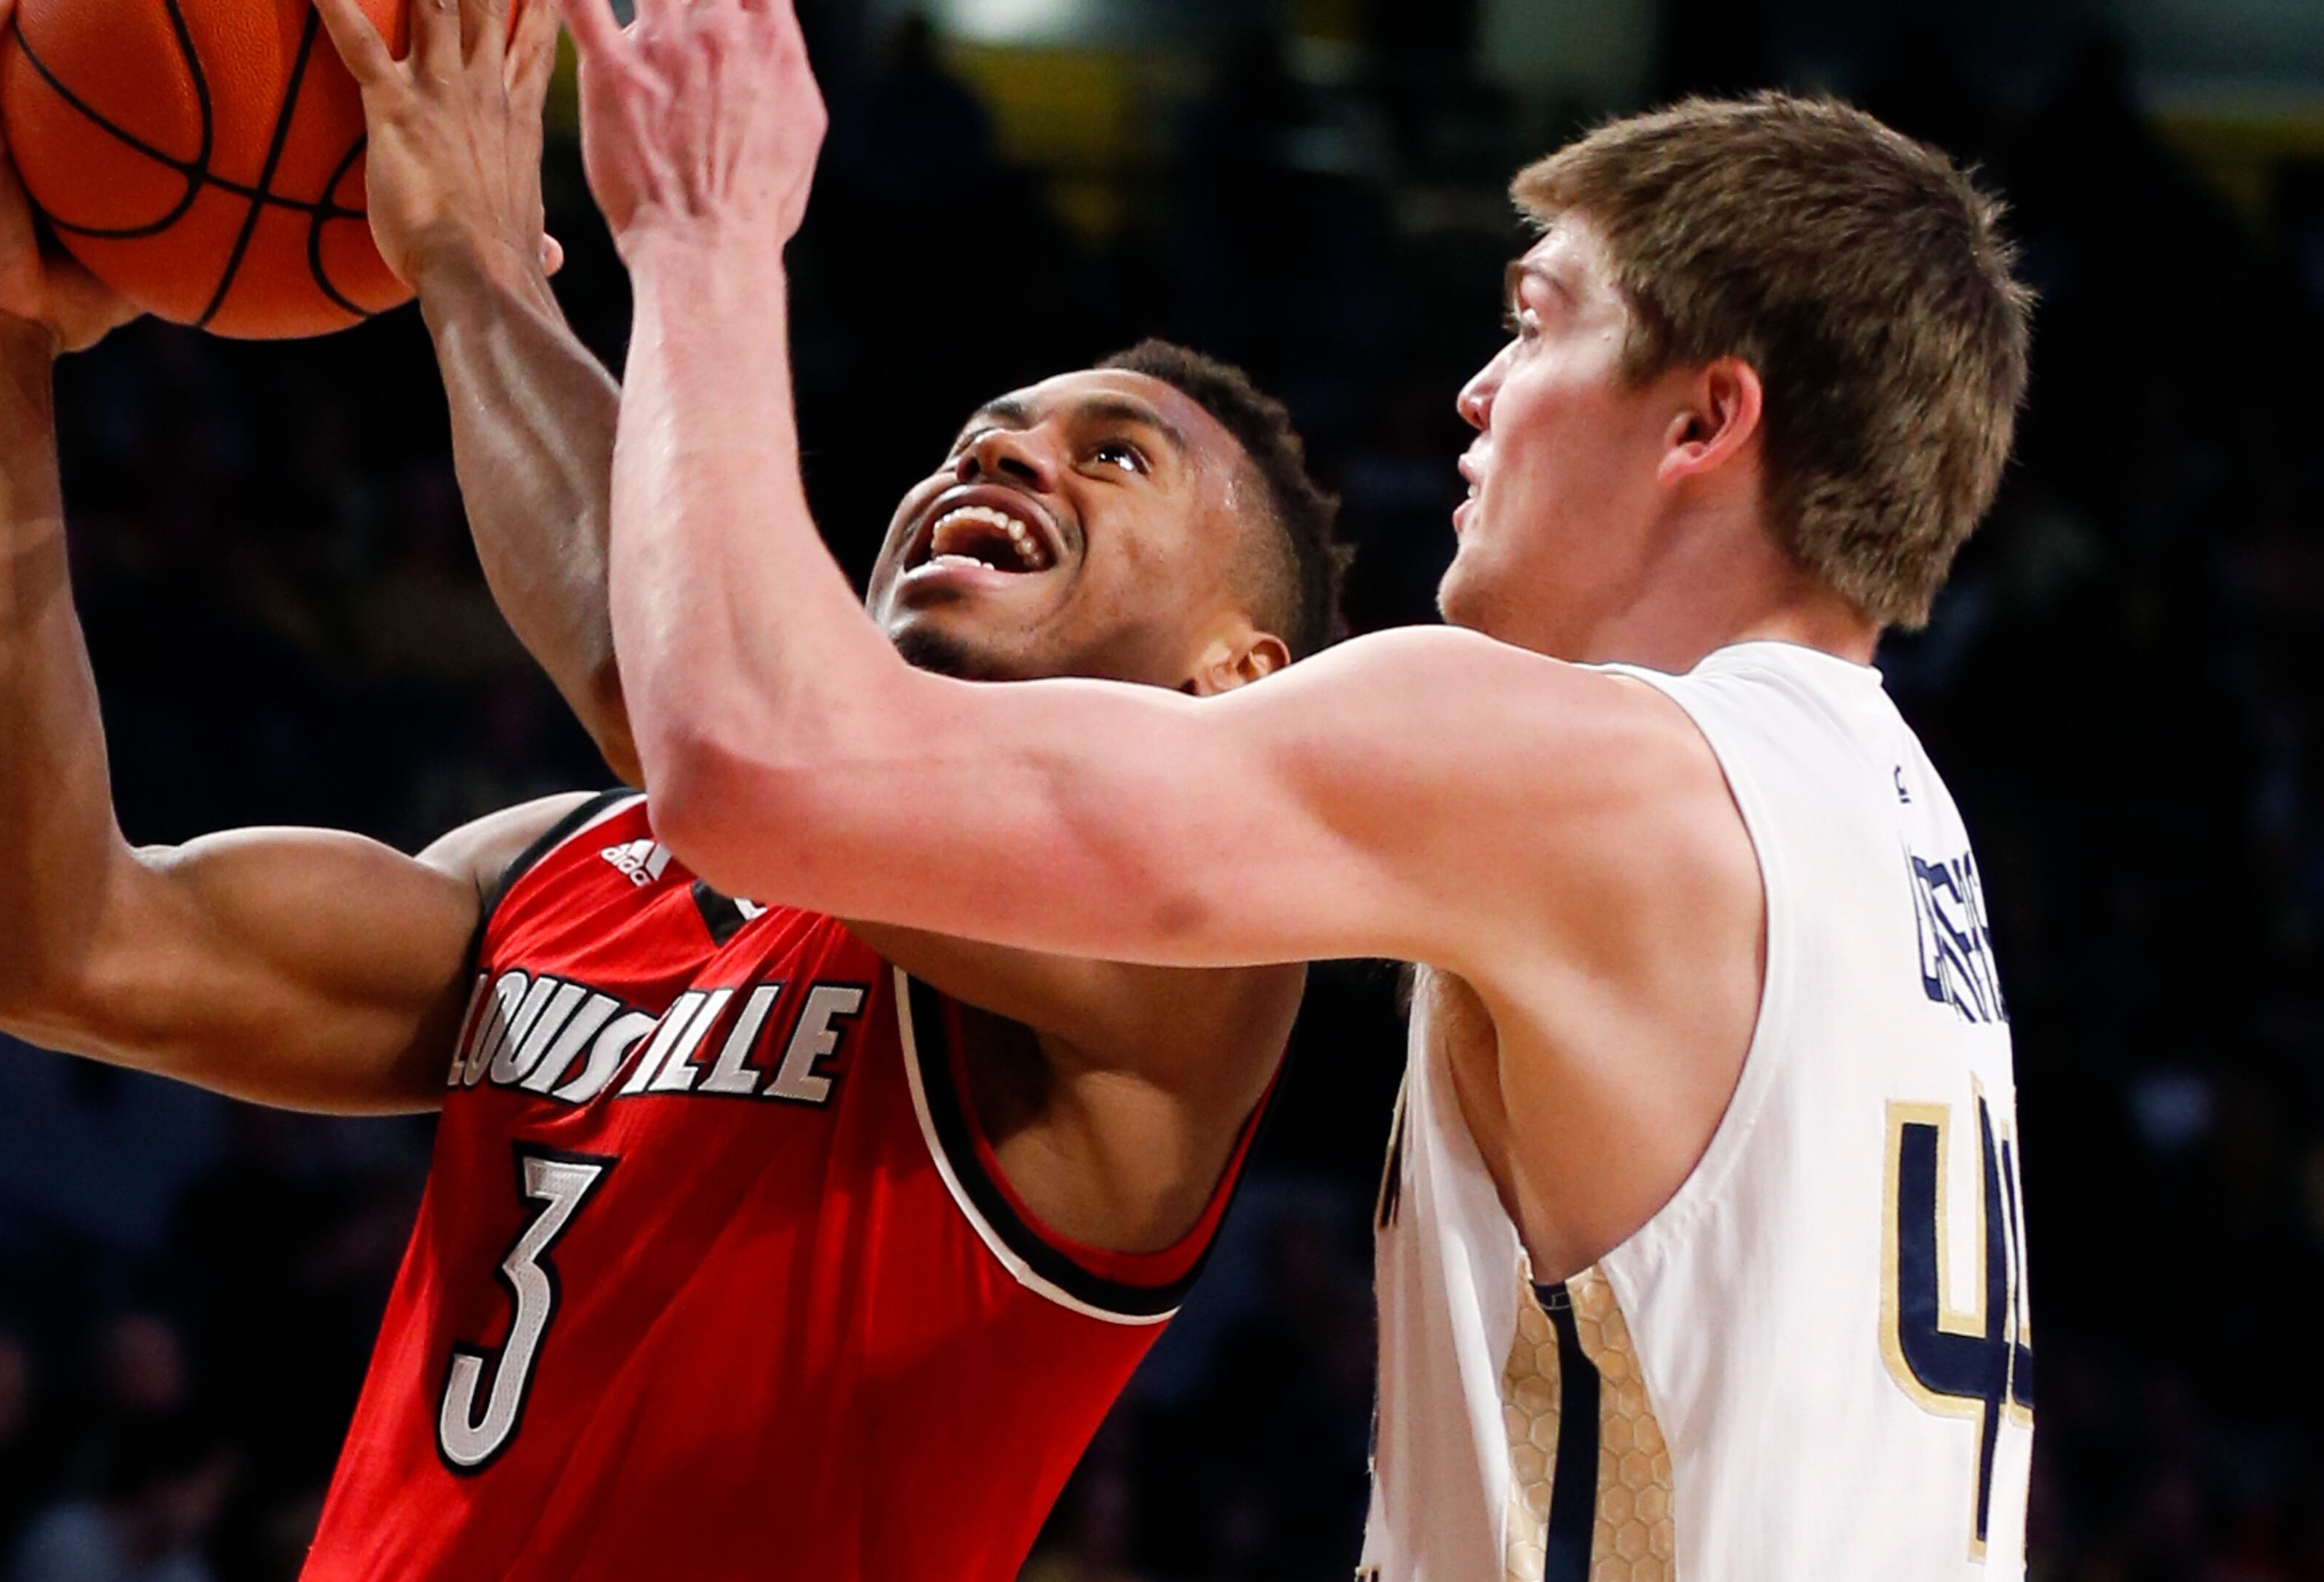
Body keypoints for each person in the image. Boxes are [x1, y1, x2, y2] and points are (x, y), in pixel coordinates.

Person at [554, 2, 2036, 1575]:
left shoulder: (1585, 772)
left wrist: (699, 236)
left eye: (1537, 325)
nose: (1477, 392)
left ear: (1703, 419)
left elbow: (746, 760)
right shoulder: (1897, 828)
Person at [0, 0, 1346, 1575]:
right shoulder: (578, 868)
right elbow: (52, 944)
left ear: (1241, 674)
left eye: (1117, 457)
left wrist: (465, 255)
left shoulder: (1194, 935)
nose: (1006, 459)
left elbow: (695, 706)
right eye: (985, 435)